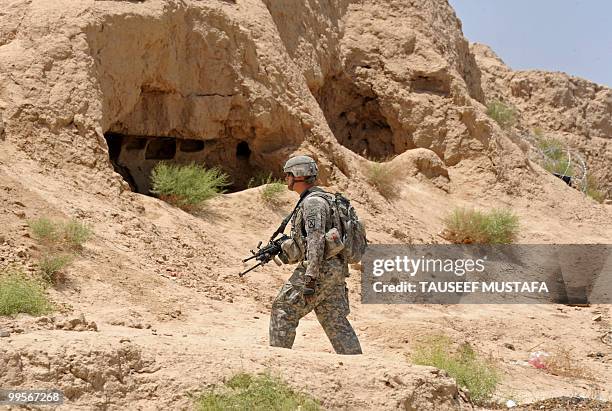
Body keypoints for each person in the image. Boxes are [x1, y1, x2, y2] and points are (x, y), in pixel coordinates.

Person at [269, 155, 362, 355]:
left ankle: (277, 361)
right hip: (336, 269)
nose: (286, 179)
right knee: (334, 320)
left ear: (297, 176)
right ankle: (357, 364)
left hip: (319, 269)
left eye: (288, 175)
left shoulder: (313, 203)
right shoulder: (324, 199)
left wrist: (310, 276)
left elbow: (316, 239)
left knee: (283, 310)